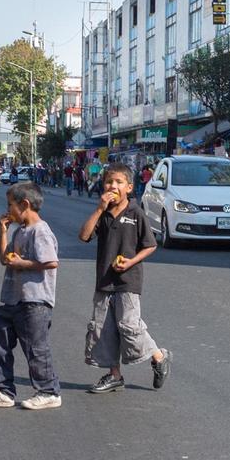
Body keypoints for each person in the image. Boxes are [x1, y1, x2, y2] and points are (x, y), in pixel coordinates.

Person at [79, 163, 170, 394]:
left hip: (128, 280)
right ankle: (114, 375)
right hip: (104, 280)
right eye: (109, 182)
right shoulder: (104, 212)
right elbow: (85, 235)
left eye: (119, 182)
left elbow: (150, 246)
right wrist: (99, 209)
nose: (113, 186)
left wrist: (130, 262)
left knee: (129, 326)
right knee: (103, 329)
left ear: (129, 187)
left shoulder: (136, 213)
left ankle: (159, 356)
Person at [0, 181, 62, 410]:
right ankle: (2, 389)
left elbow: (51, 262)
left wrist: (22, 263)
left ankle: (49, 391)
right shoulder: (21, 231)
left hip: (35, 300)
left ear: (24, 204)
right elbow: (5, 258)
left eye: (10, 204)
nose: (7, 209)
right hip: (14, 298)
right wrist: (3, 231)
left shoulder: (40, 230)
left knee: (35, 347)